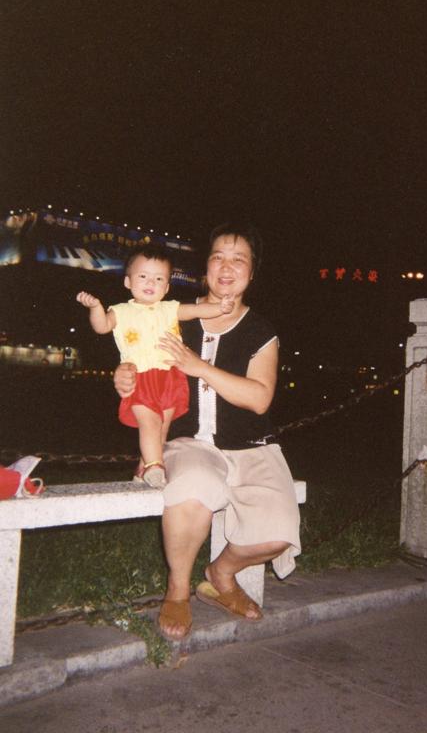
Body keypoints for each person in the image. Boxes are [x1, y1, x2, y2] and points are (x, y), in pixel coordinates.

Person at [114, 223, 301, 640]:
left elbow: (259, 398)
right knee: (193, 486)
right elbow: (139, 365)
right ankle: (178, 590)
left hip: (251, 445)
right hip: (189, 442)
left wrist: (198, 367)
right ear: (206, 267)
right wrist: (124, 378)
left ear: (252, 272)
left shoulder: (260, 331)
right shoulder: (170, 315)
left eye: (239, 259)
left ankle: (221, 574)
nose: (227, 267)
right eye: (218, 257)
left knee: (279, 532)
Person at [77, 243, 234, 487]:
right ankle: (154, 466)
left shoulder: (169, 308)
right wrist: (95, 307)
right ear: (128, 282)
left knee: (161, 429)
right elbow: (101, 326)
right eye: (143, 276)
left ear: (167, 287)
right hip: (140, 378)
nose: (151, 282)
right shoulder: (121, 311)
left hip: (171, 377)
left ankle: (143, 470)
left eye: (159, 278)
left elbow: (196, 310)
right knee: (149, 424)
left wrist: (219, 308)